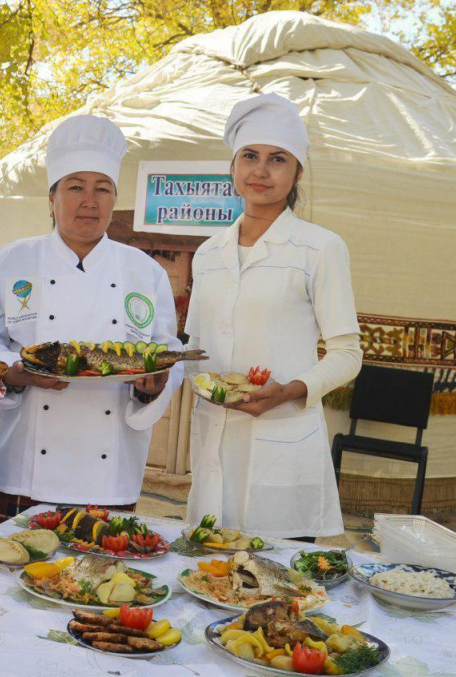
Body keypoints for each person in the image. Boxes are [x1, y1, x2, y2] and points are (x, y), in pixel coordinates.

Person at [0, 114, 184, 527]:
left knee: (100, 586)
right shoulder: (13, 260)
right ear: (51, 199)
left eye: (102, 189)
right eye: (75, 187)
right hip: (21, 468)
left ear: (114, 200)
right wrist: (14, 371)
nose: (89, 201)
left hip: (107, 477)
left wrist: (153, 386)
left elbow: (167, 351)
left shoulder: (145, 272)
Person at [185, 93, 363, 539]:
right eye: (250, 156)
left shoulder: (320, 248)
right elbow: (194, 349)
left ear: (297, 171)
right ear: (233, 166)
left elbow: (347, 354)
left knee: (275, 593)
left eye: (277, 159)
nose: (260, 171)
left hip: (282, 439)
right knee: (209, 579)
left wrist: (289, 392)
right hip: (213, 442)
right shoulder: (208, 253)